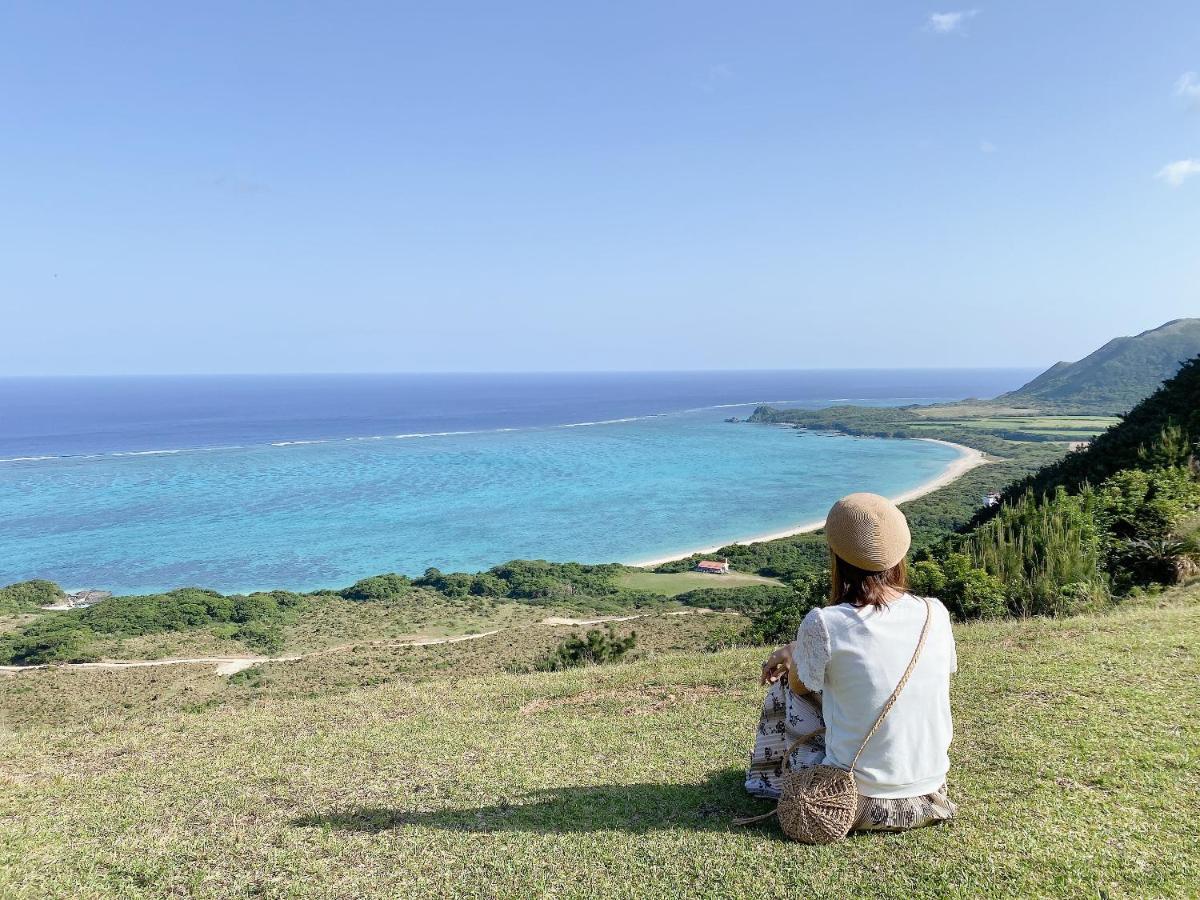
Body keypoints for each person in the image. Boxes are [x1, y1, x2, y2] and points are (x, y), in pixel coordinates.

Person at [745, 492, 958, 832]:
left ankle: (770, 782)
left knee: (786, 687)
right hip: (930, 795)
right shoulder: (935, 612)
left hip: (849, 801)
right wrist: (797, 649)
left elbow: (803, 686)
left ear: (836, 555)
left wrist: (792, 653)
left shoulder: (825, 622)